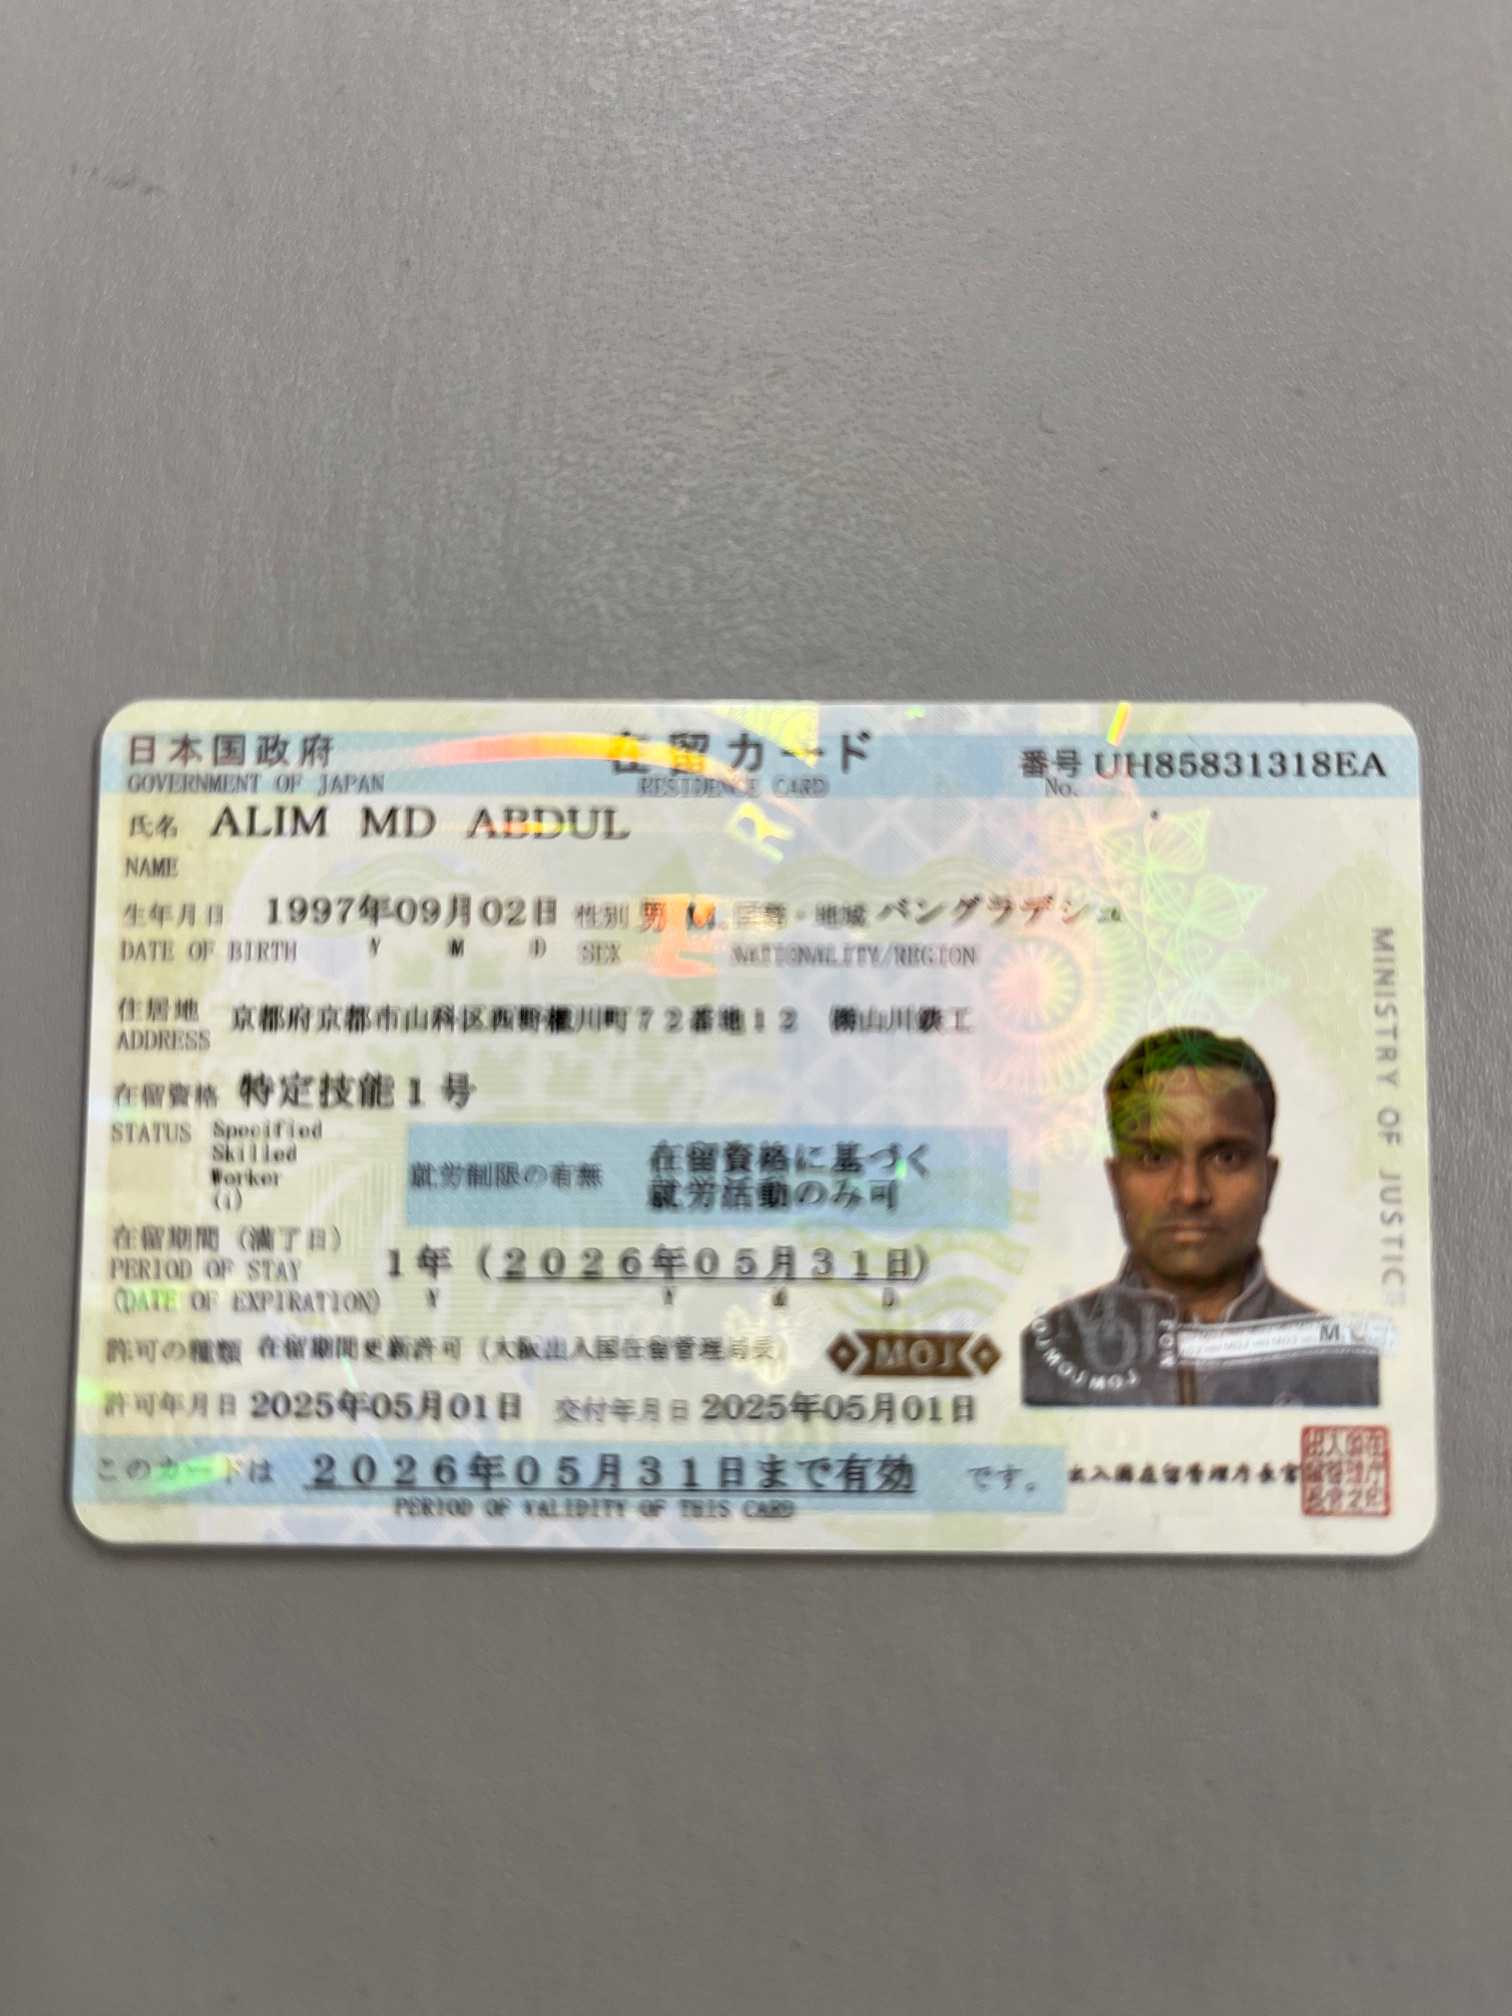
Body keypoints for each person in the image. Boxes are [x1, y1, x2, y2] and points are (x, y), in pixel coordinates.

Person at [1021, 1026, 1379, 1406]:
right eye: (1154, 1157)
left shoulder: (1353, 1373)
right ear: (1116, 1180)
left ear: (1269, 1178)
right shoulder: (1035, 1363)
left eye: (1226, 1157)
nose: (1190, 1193)